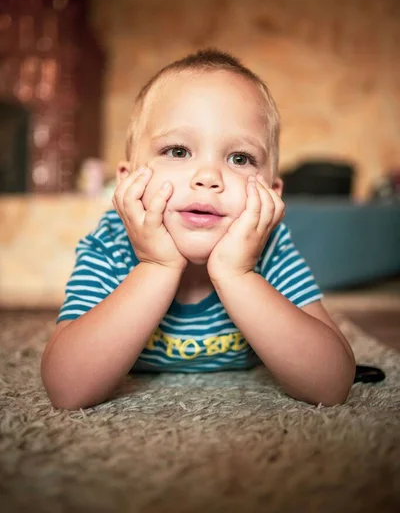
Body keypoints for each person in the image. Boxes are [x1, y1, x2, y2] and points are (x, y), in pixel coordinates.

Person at [41, 49, 356, 410]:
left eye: (239, 159)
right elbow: (66, 389)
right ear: (127, 182)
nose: (208, 178)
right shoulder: (111, 243)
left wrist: (237, 274)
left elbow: (332, 385)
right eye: (177, 151)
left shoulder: (269, 247)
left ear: (271, 193)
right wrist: (156, 266)